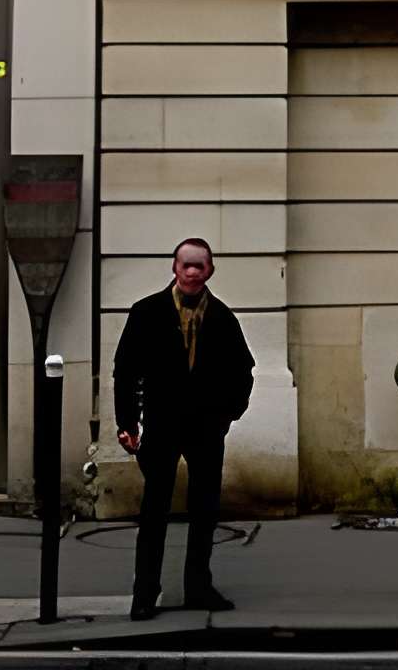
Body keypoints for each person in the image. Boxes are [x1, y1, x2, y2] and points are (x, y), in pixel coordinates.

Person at [114, 238, 255, 619]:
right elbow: (125, 371)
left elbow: (244, 372)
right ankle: (145, 592)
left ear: (210, 270)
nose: (192, 272)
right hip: (161, 423)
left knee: (205, 509)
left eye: (200, 266)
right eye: (186, 265)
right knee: (154, 509)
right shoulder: (146, 312)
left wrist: (228, 416)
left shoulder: (223, 318)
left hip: (207, 427)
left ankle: (198, 586)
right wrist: (126, 423)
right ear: (174, 268)